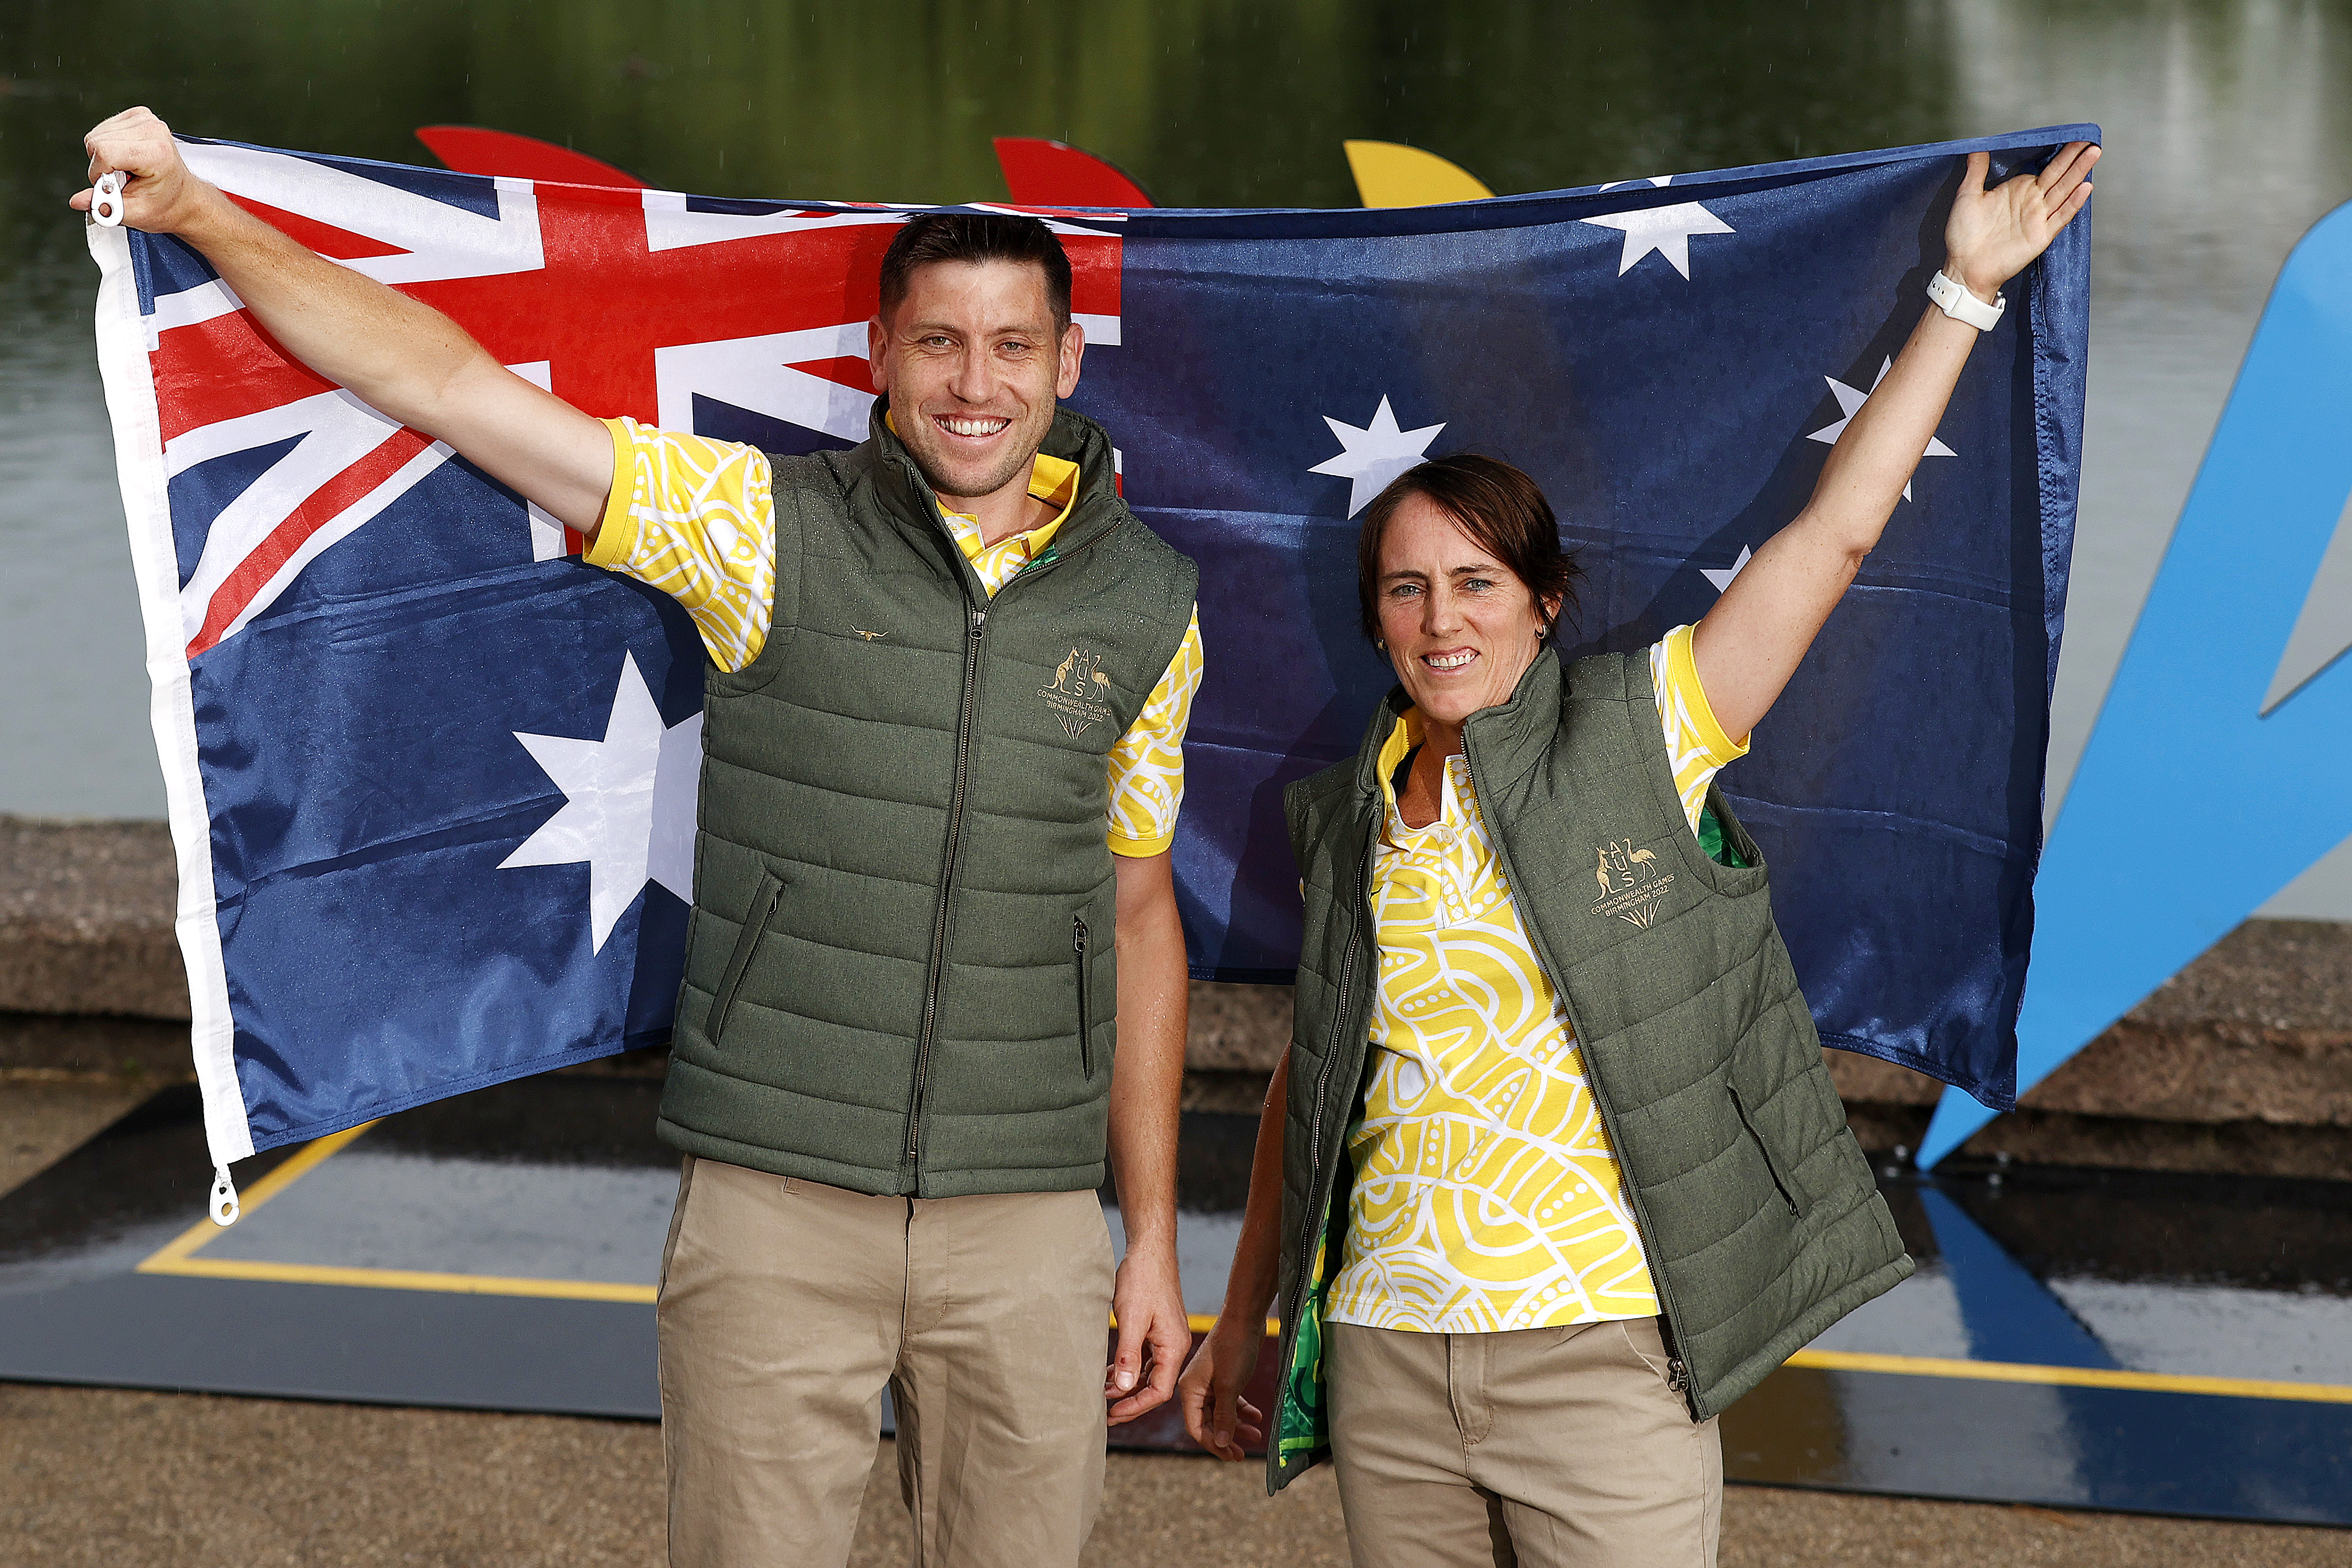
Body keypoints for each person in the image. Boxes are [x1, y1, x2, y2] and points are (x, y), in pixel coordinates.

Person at [77, 108, 1202, 1567]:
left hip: (1029, 1221)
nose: (974, 384)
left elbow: (1136, 919)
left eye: (1010, 346)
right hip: (776, 1209)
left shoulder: (1147, 604)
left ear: (1066, 362)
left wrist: (1153, 1237)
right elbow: (450, 386)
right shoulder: (759, 528)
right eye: (938, 342)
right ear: (879, 355)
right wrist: (199, 212)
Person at [1177, 143, 2098, 1566]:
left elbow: (1834, 538)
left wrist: (1966, 292)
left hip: (1601, 1359)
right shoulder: (1345, 815)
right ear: (1376, 622)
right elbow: (1316, 1075)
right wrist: (1243, 1319)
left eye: (1477, 582)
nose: (1442, 620)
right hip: (1385, 1356)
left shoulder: (1643, 729)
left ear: (1543, 602)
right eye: (1408, 590)